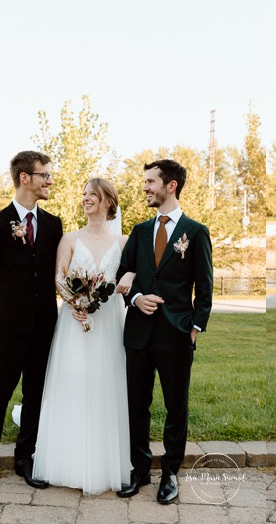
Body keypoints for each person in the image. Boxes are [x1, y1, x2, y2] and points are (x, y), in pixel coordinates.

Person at [0, 151, 63, 491]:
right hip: (10, 326)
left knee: (35, 394)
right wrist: (9, 307)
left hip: (44, 327)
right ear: (25, 178)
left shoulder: (53, 225)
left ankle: (25, 458)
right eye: (44, 175)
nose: (49, 180)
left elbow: (54, 272)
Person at [116, 159, 213, 503]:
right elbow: (123, 272)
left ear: (171, 186)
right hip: (138, 334)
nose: (144, 187)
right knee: (136, 404)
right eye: (145, 182)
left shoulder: (196, 232)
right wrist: (137, 297)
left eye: (150, 181)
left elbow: (205, 287)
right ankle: (139, 470)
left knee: (176, 407)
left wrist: (195, 328)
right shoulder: (139, 232)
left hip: (177, 333)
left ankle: (170, 472)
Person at [32, 178, 135, 495]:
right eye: (84, 194)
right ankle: (63, 460)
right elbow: (59, 279)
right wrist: (74, 302)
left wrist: (130, 275)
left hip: (108, 323)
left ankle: (108, 463)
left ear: (107, 201)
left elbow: (132, 275)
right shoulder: (70, 238)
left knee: (106, 385)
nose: (86, 198)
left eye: (93, 194)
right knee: (72, 384)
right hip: (75, 324)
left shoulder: (123, 242)